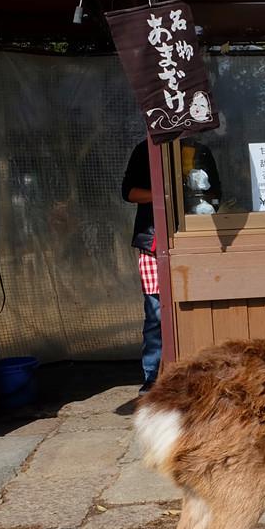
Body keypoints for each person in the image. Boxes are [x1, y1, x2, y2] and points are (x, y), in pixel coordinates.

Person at [121, 140, 162, 392]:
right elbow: (128, 192)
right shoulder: (143, 150)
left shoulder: (195, 148)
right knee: (155, 313)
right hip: (152, 242)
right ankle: (152, 375)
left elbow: (215, 191)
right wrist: (161, 194)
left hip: (191, 239)